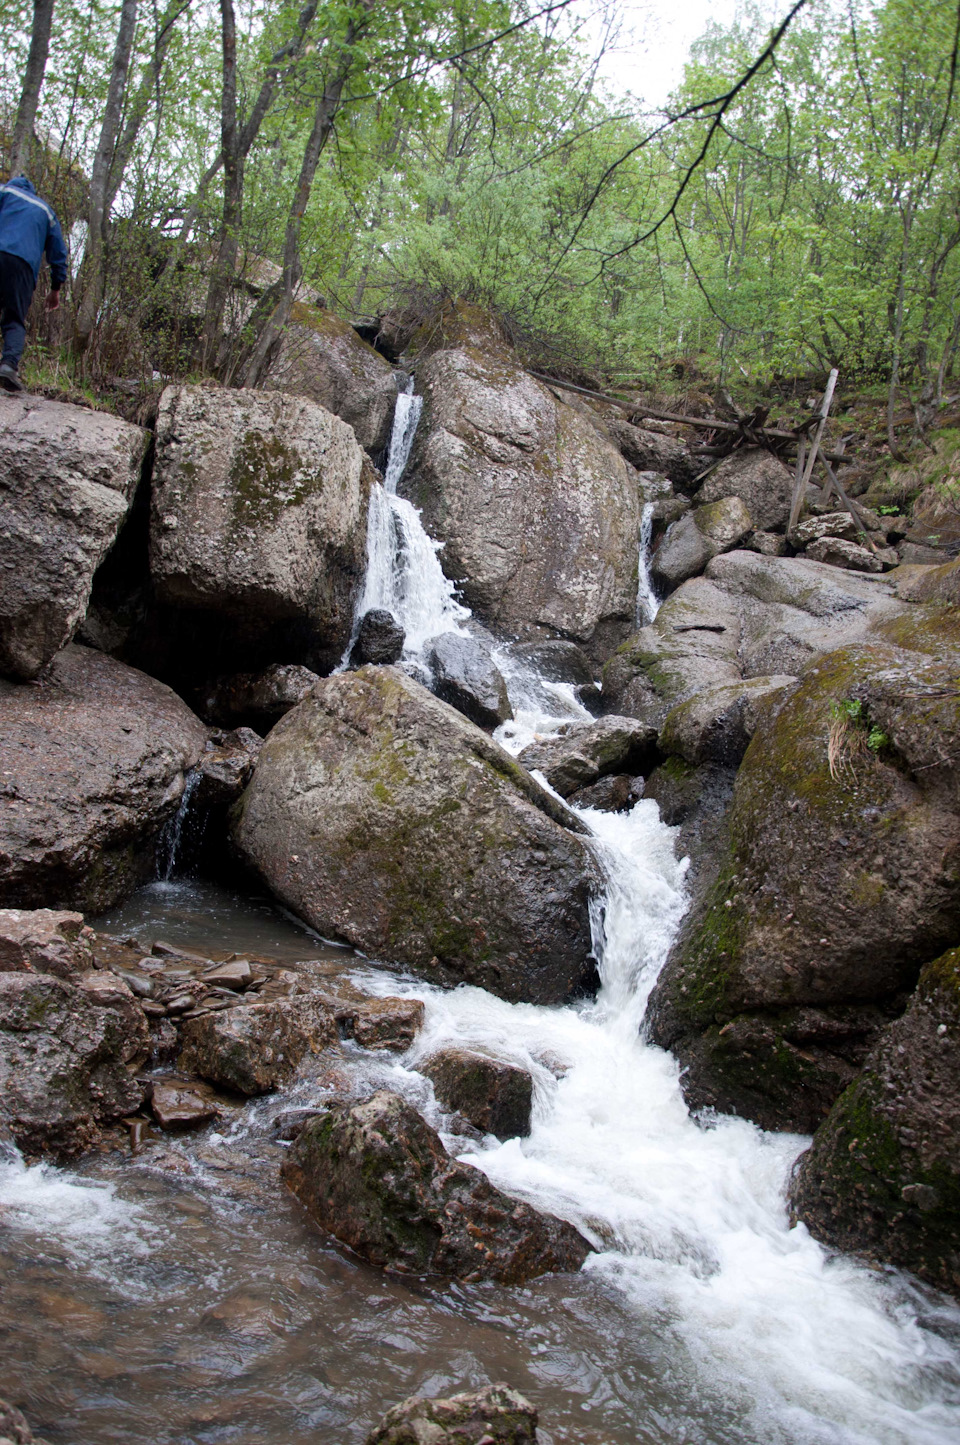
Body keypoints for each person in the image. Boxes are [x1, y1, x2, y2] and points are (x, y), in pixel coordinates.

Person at [0, 175, 68, 393]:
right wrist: (56, 288)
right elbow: (58, 253)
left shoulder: (4, 192)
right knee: (14, 319)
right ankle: (9, 366)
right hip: (23, 267)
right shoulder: (45, 211)